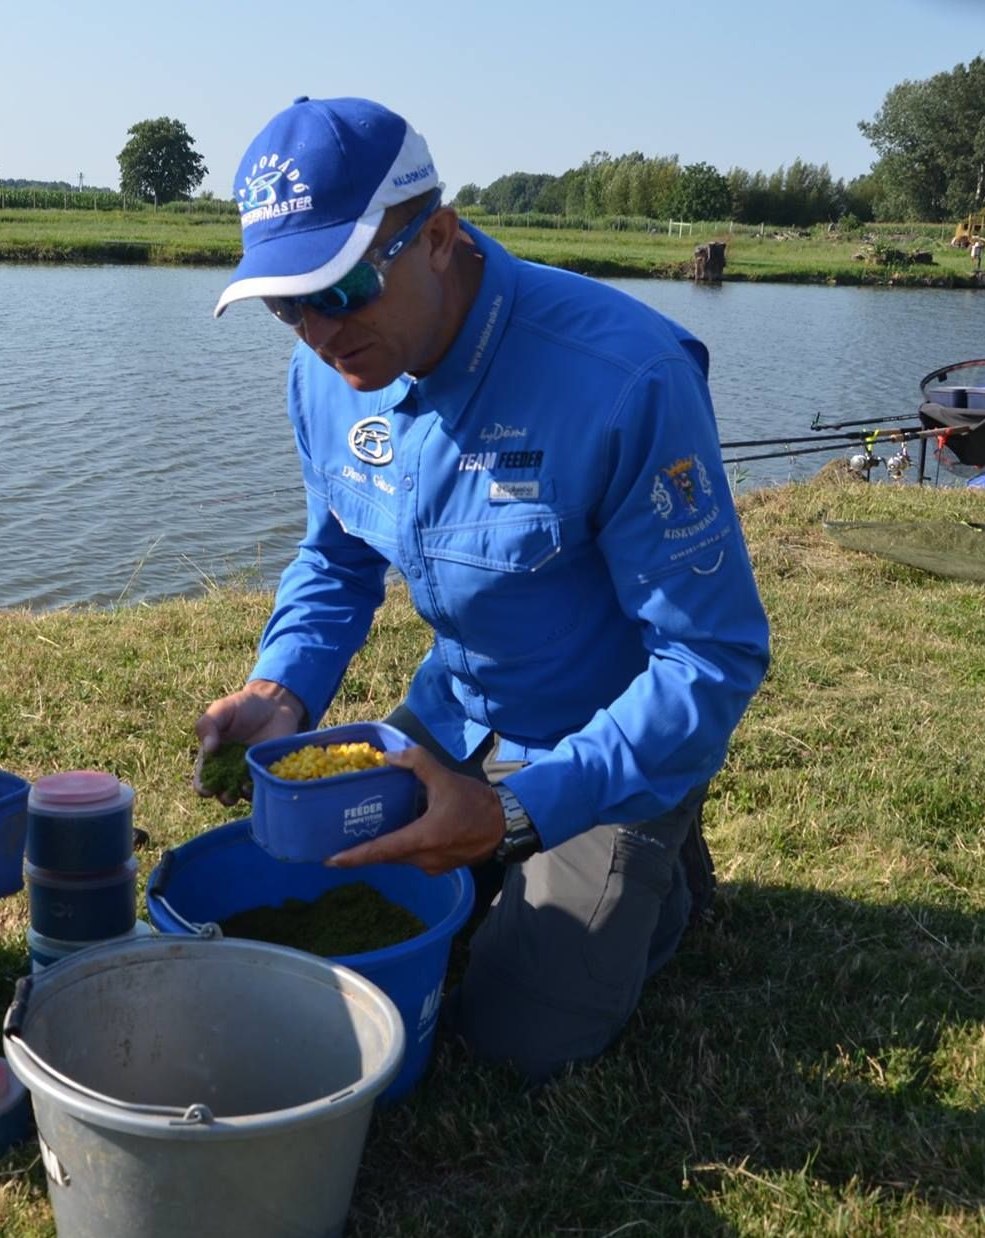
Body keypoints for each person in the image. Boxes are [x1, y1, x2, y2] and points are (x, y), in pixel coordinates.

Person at [198, 97, 771, 1084]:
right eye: (284, 305)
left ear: (438, 237)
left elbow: (708, 659)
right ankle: (571, 862)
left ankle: (654, 856)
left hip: (598, 738)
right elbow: (336, 562)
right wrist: (280, 689)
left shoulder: (625, 374)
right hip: (453, 718)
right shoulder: (327, 377)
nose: (318, 333)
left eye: (341, 286)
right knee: (313, 915)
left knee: (511, 1036)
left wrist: (513, 814)